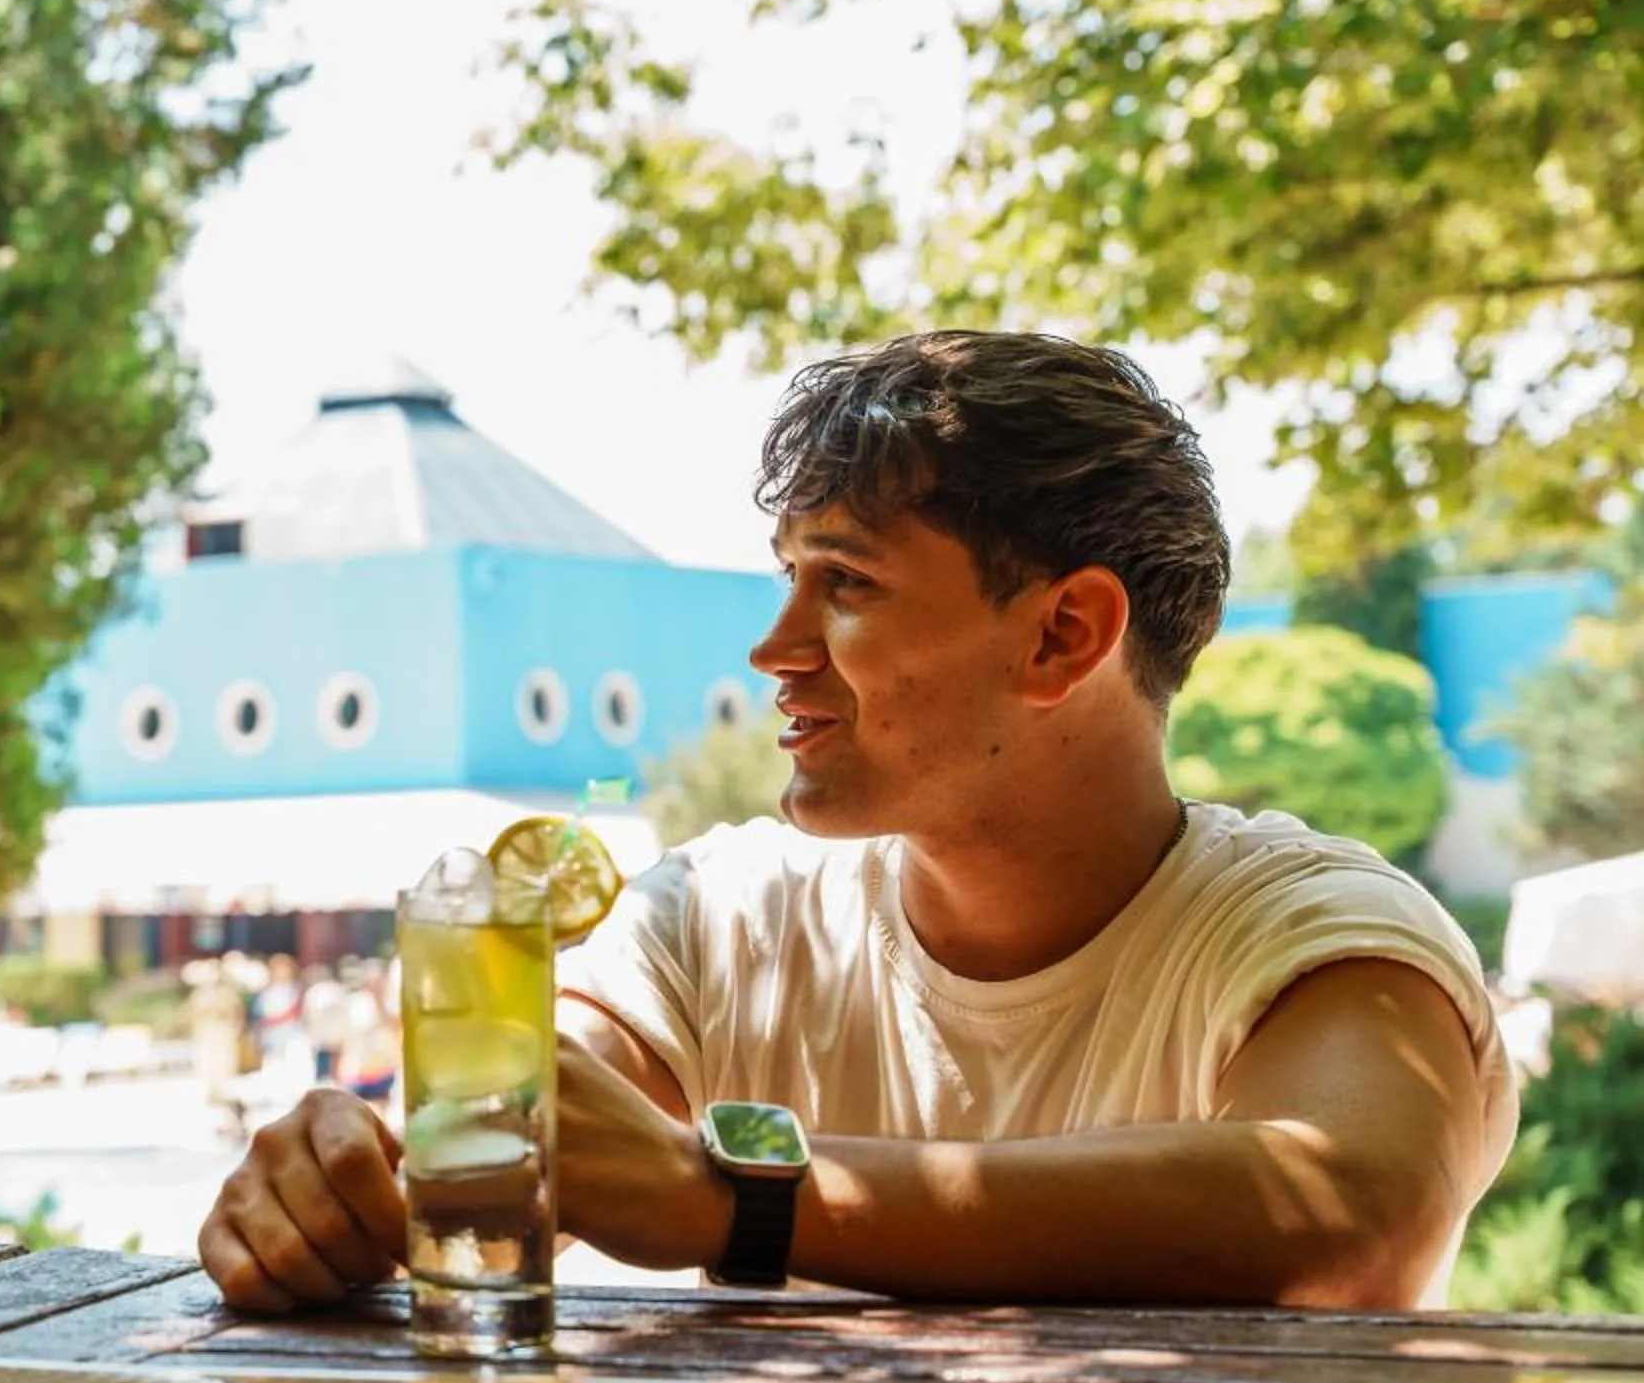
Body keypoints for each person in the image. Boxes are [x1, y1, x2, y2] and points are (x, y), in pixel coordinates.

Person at [202, 331, 1516, 1313]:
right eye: (790, 579)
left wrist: (738, 1200)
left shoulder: (1321, 935)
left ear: (1066, 633)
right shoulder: (719, 914)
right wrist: (351, 1173)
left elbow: (1343, 1215)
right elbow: (537, 1124)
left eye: (847, 584)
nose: (774, 650)